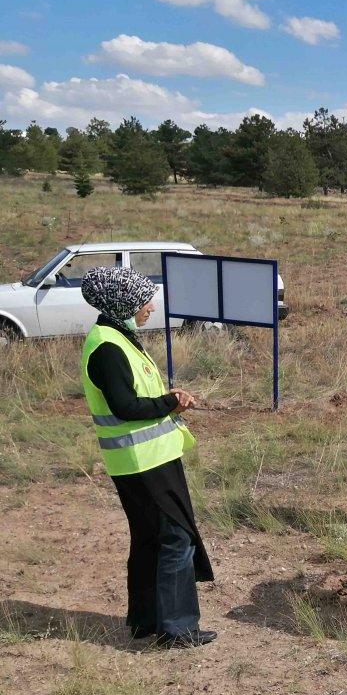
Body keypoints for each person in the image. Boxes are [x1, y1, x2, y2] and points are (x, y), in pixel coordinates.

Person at [80, 266, 215, 648]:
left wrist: (165, 399)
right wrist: (170, 402)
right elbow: (125, 406)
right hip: (143, 462)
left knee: (149, 538)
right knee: (175, 537)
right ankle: (177, 629)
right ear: (122, 302)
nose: (150, 307)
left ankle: (145, 621)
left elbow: (133, 395)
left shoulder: (116, 336)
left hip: (145, 459)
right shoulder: (107, 346)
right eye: (144, 300)